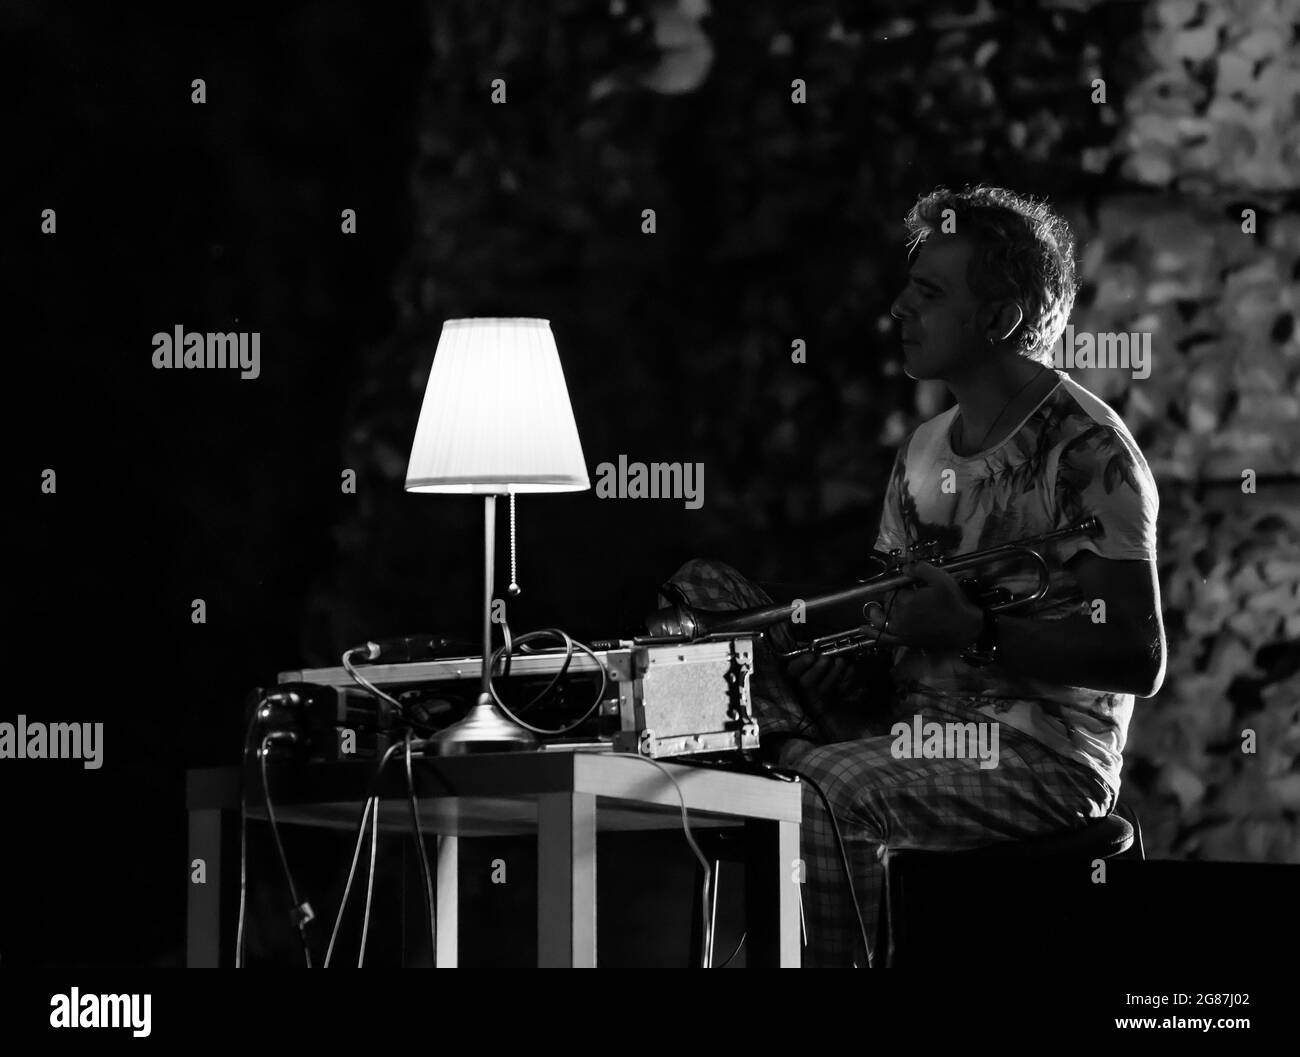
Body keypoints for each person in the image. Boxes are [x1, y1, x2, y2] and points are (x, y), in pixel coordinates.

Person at [656, 185, 1166, 967]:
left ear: (997, 320)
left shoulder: (1090, 449)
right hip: (912, 723)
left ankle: (790, 782)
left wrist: (979, 632)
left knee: (826, 786)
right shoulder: (925, 447)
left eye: (928, 292)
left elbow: (1139, 656)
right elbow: (890, 631)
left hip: (1040, 757)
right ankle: (773, 758)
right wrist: (828, 647)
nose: (898, 307)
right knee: (702, 594)